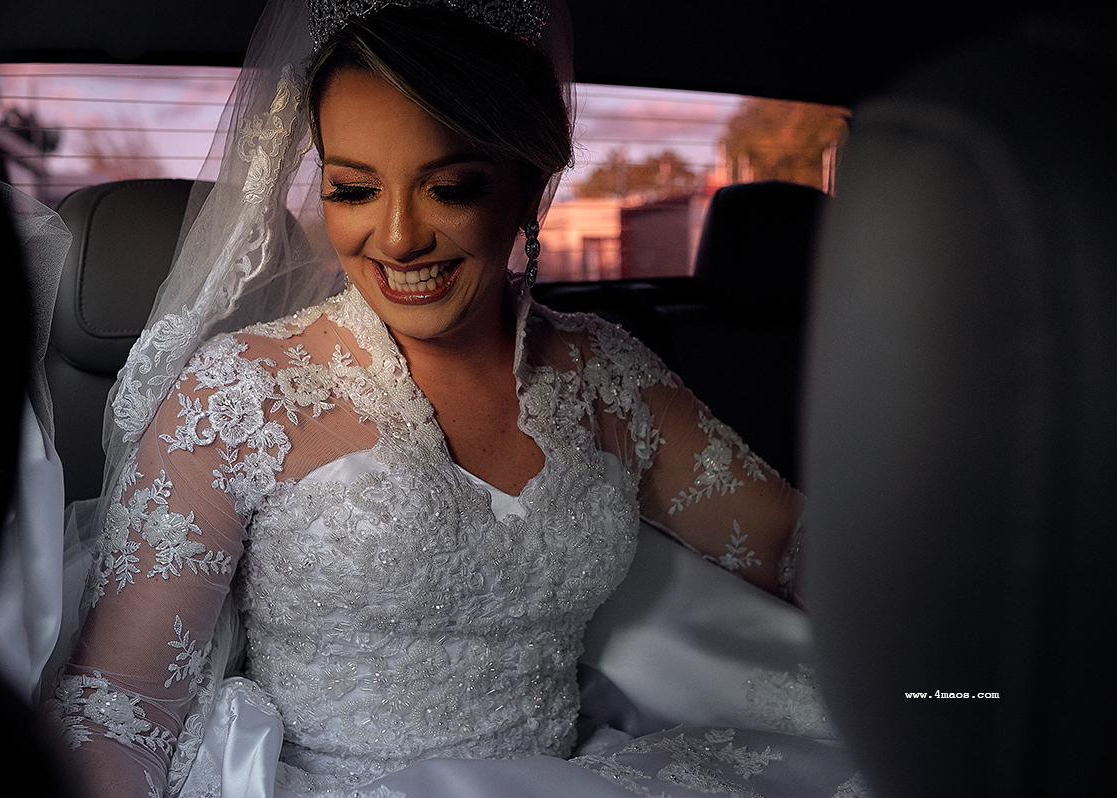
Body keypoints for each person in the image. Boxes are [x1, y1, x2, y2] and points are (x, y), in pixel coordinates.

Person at [46, 2, 860, 796]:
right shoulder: (239, 396)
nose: (398, 237)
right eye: (354, 190)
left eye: (452, 187)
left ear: (529, 181)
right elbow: (120, 707)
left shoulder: (610, 378)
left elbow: (795, 545)